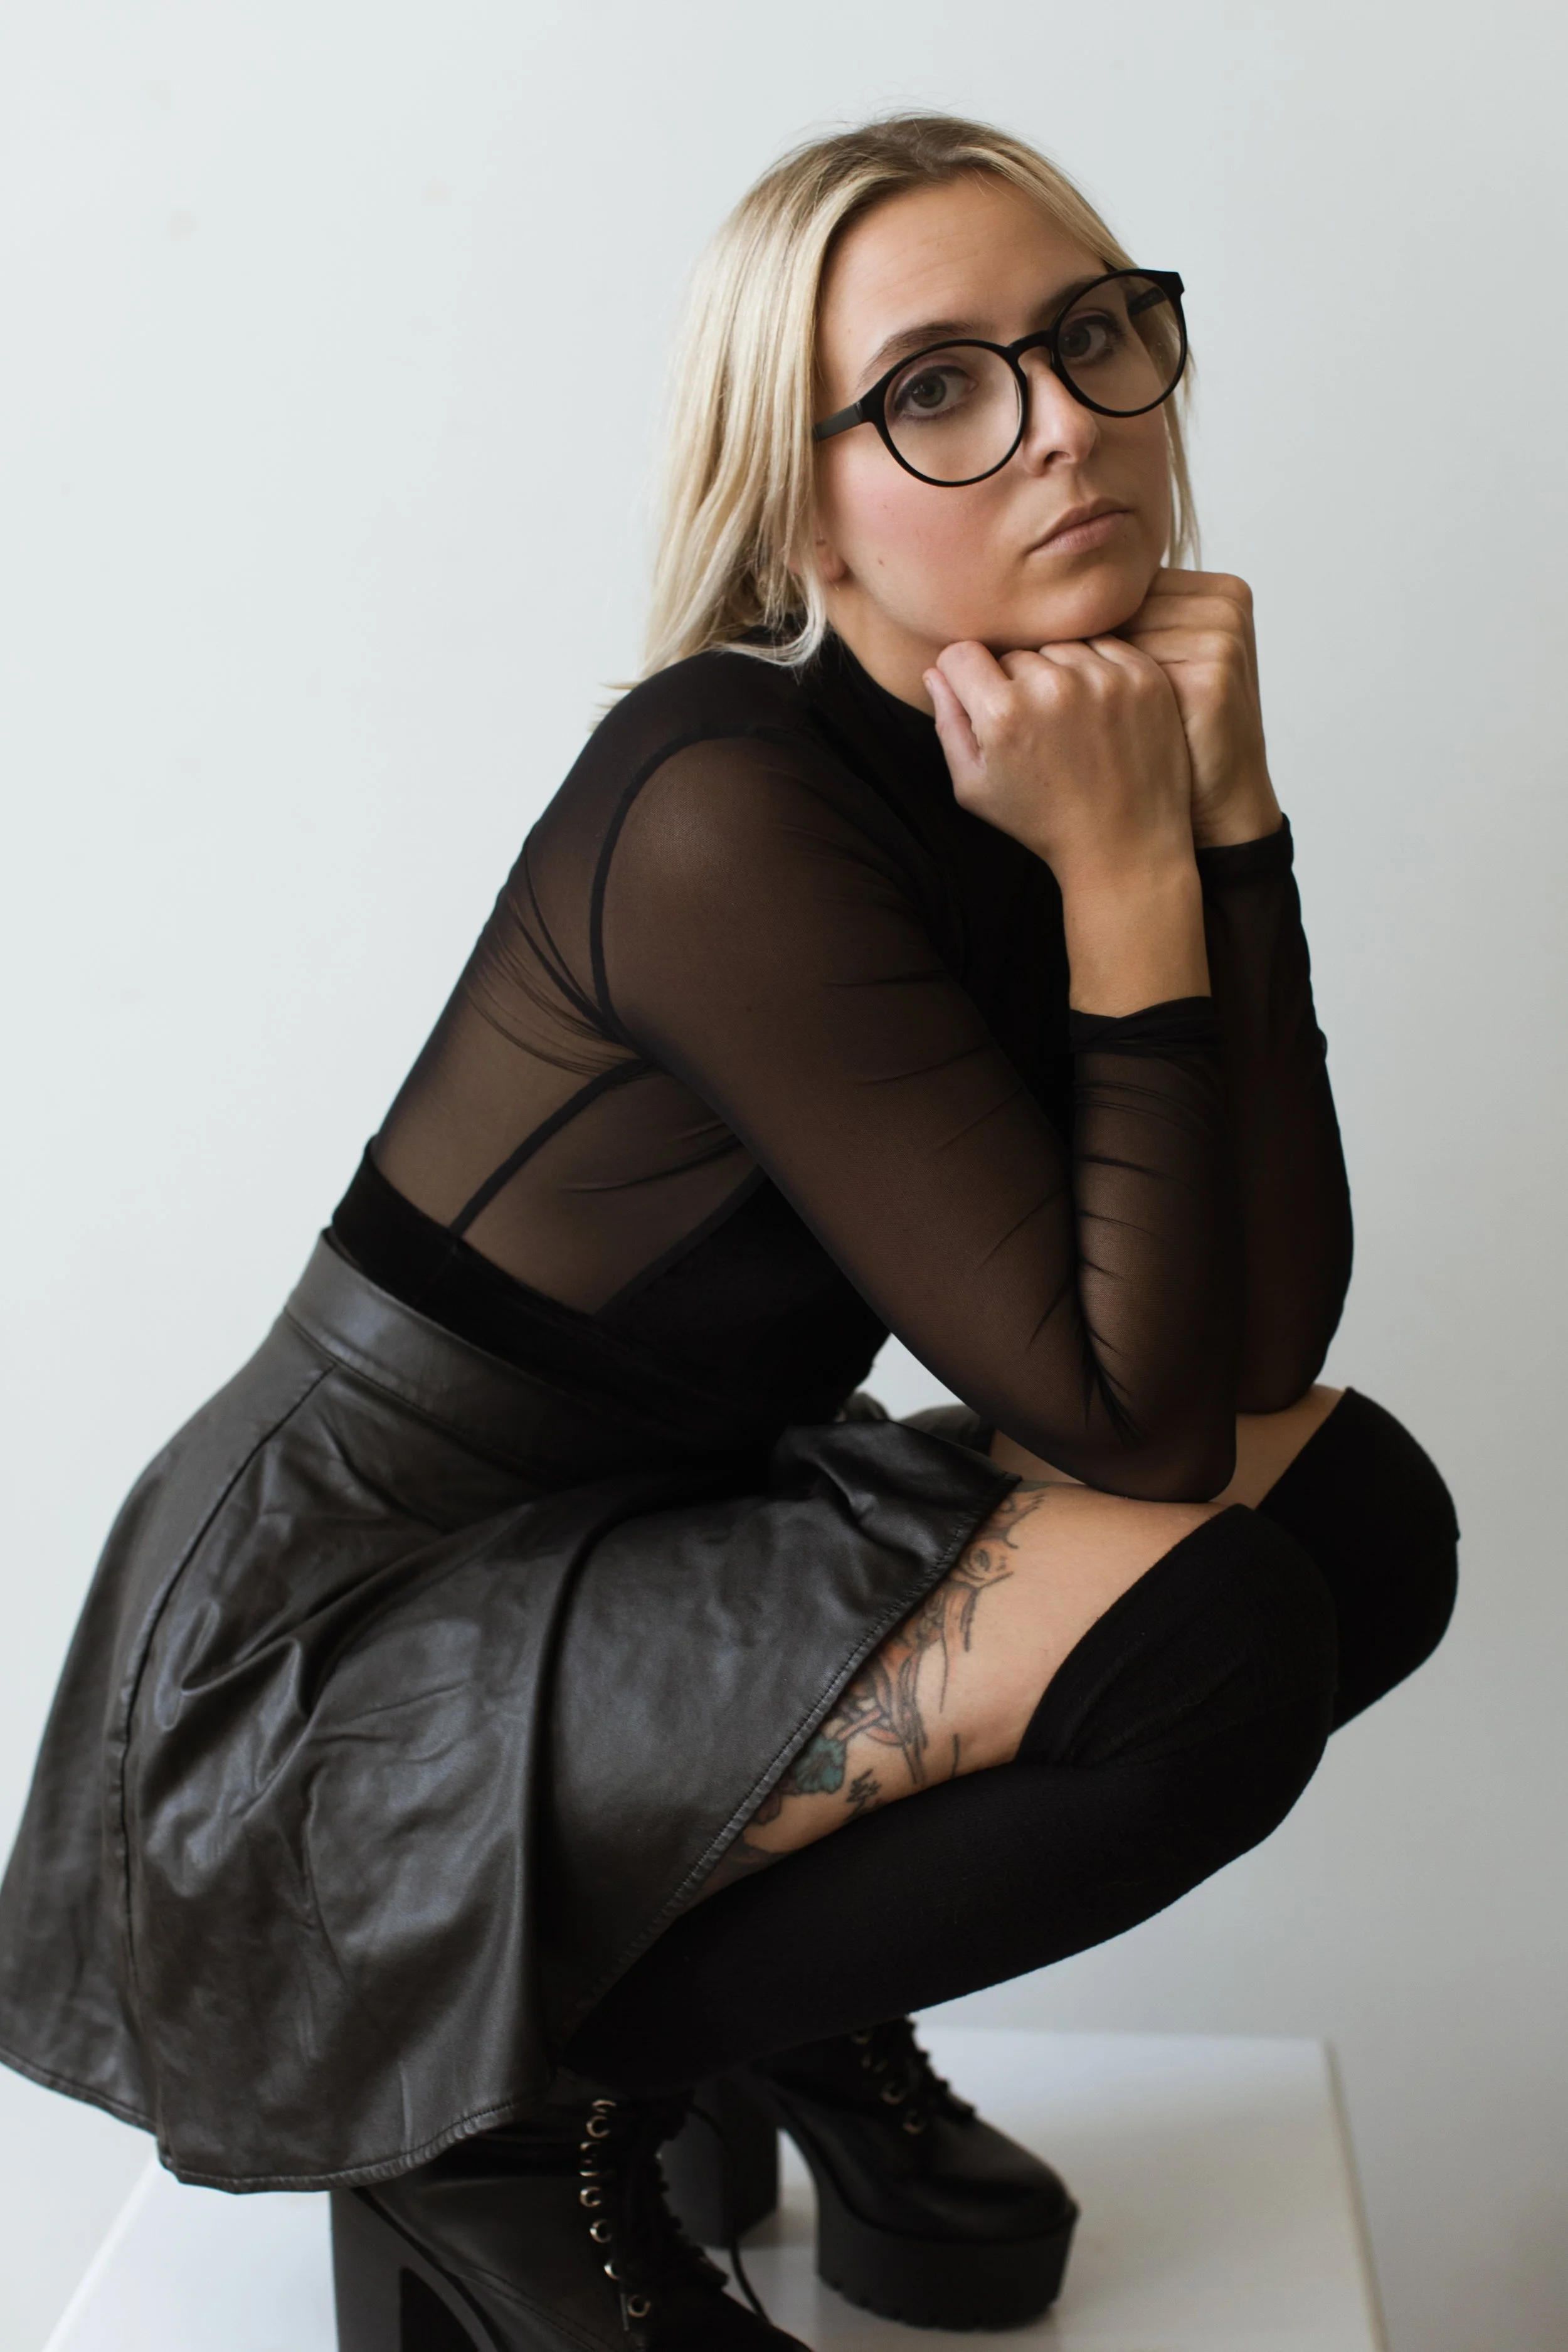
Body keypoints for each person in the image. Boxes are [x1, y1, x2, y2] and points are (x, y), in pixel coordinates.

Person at [0, 113, 1456, 2352]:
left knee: (1352, 1513)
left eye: (1090, 336)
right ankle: (498, 2133)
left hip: (658, 1546)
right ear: (802, 500)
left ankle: (781, 2014)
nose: (1063, 420)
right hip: (339, 1651)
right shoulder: (722, 804)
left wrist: (1226, 813)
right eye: (941, 387)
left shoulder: (1035, 743)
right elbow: (1142, 1431)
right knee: (1211, 1633)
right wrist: (1141, 877)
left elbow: (1257, 1351)